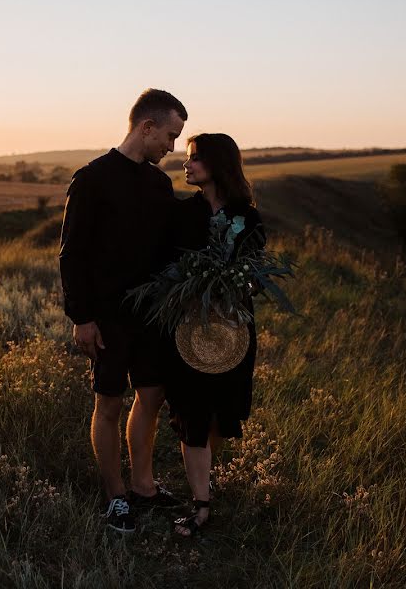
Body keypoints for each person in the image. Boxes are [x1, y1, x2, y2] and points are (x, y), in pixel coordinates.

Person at [59, 88, 187, 532]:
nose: (171, 147)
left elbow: (175, 242)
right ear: (146, 127)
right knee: (110, 403)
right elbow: (71, 254)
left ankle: (144, 486)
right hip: (107, 315)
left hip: (152, 315)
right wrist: (82, 317)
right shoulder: (92, 179)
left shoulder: (159, 184)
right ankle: (116, 498)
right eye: (169, 136)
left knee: (152, 396)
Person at [163, 133, 265, 537]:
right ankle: (201, 503)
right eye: (186, 159)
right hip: (188, 328)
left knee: (222, 416)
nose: (186, 165)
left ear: (218, 164)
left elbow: (256, 272)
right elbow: (166, 267)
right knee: (192, 414)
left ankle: (204, 476)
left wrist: (237, 283)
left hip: (234, 327)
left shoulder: (249, 217)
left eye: (194, 159)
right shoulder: (181, 215)